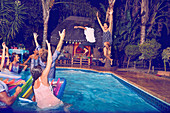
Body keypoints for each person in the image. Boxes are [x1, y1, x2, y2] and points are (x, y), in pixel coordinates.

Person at [31, 40, 64, 109]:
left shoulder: (33, 84)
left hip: (40, 107)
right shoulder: (43, 77)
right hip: (52, 105)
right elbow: (50, 61)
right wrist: (49, 47)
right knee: (66, 105)